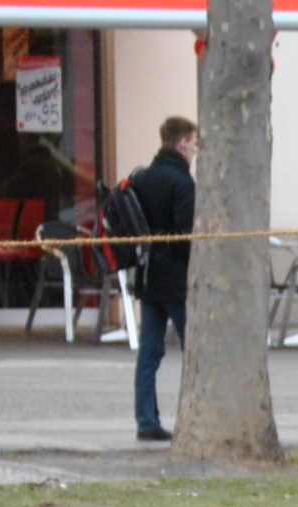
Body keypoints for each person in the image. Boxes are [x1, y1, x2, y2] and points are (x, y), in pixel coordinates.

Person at [126, 116, 196, 445]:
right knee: (195, 350)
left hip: (148, 274)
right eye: (194, 143)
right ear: (181, 143)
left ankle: (146, 420)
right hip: (177, 280)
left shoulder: (142, 177)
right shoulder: (182, 182)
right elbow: (185, 237)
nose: (195, 150)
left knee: (149, 353)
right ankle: (195, 419)